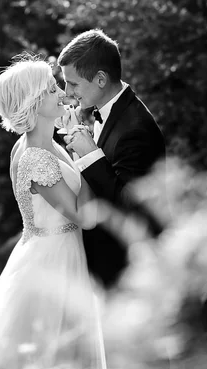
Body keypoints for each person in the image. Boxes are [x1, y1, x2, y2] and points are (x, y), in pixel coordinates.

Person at [0, 57, 109, 369]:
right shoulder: (35, 155)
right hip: (53, 265)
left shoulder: (44, 145)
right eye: (51, 88)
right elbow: (86, 217)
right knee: (47, 362)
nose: (60, 93)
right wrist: (87, 156)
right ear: (34, 102)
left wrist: (74, 144)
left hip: (55, 255)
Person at [59, 29, 166, 289]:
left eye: (73, 83)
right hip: (101, 264)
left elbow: (132, 205)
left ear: (100, 79)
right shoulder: (108, 112)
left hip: (125, 270)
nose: (66, 91)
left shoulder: (135, 127)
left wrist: (92, 154)